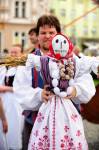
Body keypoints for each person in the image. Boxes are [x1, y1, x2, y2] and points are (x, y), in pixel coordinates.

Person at [13, 15, 96, 149]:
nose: (47, 36)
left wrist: (76, 90)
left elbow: (86, 82)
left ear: (59, 35)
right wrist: (39, 95)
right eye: (43, 32)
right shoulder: (31, 61)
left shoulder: (72, 59)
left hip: (67, 125)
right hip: (35, 123)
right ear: (38, 36)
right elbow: (20, 89)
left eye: (51, 32)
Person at [0, 44, 24, 150]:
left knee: (14, 129)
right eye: (12, 52)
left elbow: (24, 89)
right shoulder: (4, 68)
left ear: (21, 54)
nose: (13, 54)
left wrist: (5, 88)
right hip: (4, 102)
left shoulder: (23, 69)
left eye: (16, 52)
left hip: (16, 104)